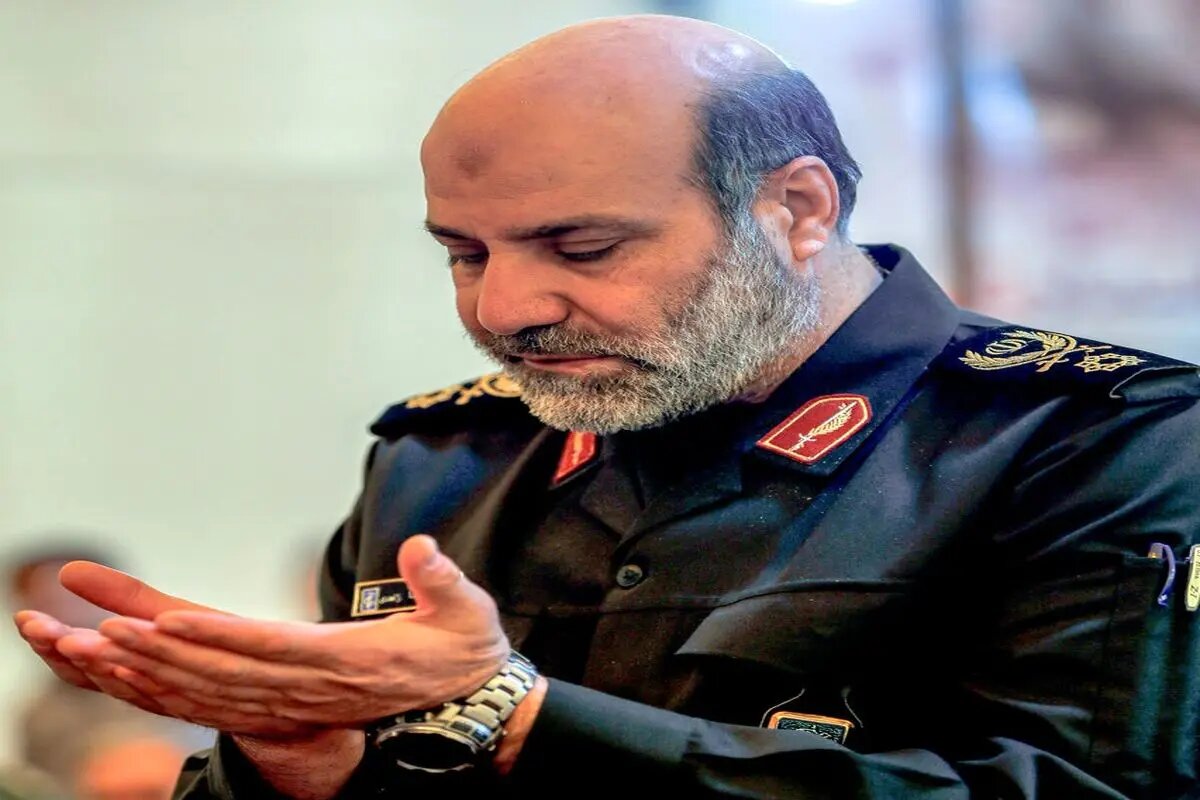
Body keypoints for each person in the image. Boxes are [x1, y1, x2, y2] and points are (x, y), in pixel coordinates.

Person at [13, 14, 1200, 799]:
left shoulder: (1102, 438)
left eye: (582, 246)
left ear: (796, 209)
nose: (507, 307)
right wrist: (293, 760)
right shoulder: (441, 457)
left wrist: (517, 718)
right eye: (463, 252)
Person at [6, 546, 211, 799]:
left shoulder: (186, 678)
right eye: (47, 602)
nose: (66, 614)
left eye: (75, 600)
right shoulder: (39, 716)